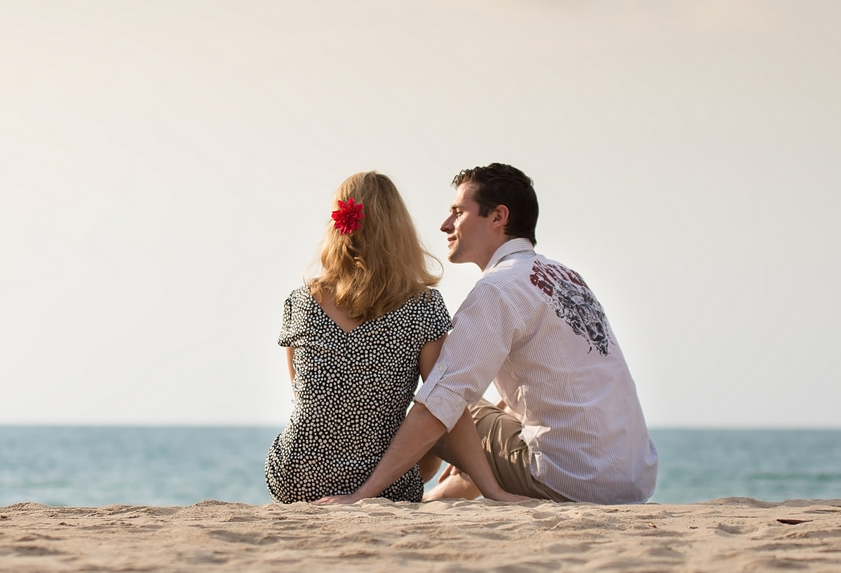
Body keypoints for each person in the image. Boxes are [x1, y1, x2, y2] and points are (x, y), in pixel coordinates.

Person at [316, 163, 657, 505]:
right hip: (631, 480)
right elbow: (557, 377)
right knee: (477, 416)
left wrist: (361, 497)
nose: (445, 224)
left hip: (574, 482)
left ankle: (393, 494)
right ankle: (433, 500)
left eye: (458, 212)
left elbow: (440, 403)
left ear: (497, 217)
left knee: (443, 407)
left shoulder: (497, 289)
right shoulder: (566, 277)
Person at [265, 171, 455, 503]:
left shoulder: (301, 302)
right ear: (399, 229)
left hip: (296, 477)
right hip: (385, 487)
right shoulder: (424, 306)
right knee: (431, 421)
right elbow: (440, 402)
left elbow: (304, 396)